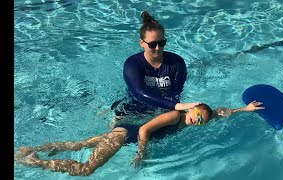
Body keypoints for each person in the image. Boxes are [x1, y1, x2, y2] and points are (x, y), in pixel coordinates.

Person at [14, 101, 264, 176]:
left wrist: (245, 110)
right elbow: (144, 130)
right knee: (85, 170)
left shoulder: (193, 120)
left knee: (76, 145)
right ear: (190, 109)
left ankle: (30, 148)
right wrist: (141, 153)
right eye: (197, 115)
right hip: (126, 137)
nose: (197, 121)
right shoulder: (174, 116)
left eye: (201, 121)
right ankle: (35, 161)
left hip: (121, 133)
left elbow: (219, 113)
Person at [111, 11, 188, 120]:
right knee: (116, 136)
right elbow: (139, 93)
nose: (158, 48)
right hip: (133, 108)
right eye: (152, 44)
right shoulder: (132, 64)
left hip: (163, 111)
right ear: (142, 43)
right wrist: (174, 106)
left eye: (161, 43)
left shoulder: (177, 63)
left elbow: (176, 92)